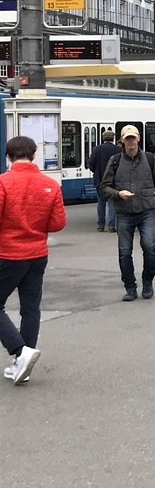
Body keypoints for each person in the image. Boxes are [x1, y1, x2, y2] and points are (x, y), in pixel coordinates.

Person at [0, 135, 66, 385]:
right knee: (30, 308)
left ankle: (20, 352)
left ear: (9, 156)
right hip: (37, 254)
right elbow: (57, 223)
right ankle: (21, 363)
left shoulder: (3, 183)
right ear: (34, 155)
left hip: (7, 254)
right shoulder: (48, 184)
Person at [99, 124, 155, 301]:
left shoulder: (150, 159)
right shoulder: (115, 160)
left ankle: (147, 281)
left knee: (149, 246)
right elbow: (104, 187)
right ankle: (130, 286)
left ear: (139, 138)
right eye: (128, 139)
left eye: (133, 138)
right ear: (122, 141)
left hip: (146, 210)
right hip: (124, 213)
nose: (131, 142)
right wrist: (118, 194)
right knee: (124, 251)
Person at [86, 129, 120, 232]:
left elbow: (90, 163)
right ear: (113, 138)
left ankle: (100, 226)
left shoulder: (96, 149)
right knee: (111, 203)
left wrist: (96, 172)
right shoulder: (118, 149)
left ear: (103, 138)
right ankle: (111, 226)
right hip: (113, 181)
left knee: (100, 203)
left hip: (99, 180)